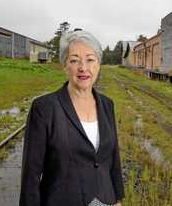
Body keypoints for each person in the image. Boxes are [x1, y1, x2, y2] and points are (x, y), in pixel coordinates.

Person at [19, 30, 124, 206]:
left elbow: (113, 158)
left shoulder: (107, 105)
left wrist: (117, 198)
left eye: (90, 59)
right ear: (65, 65)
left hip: (105, 199)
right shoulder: (44, 108)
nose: (83, 67)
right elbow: (31, 174)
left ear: (98, 64)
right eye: (75, 60)